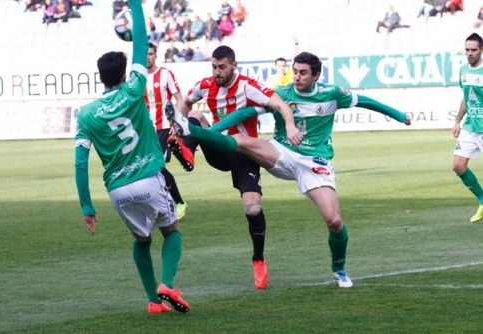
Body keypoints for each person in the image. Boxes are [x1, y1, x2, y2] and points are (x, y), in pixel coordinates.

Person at [167, 51, 410, 288]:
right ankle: (192, 133)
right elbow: (246, 112)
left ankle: (340, 268)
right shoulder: (282, 93)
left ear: (316, 75)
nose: (297, 77)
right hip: (282, 153)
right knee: (241, 140)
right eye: (295, 72)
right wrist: (213, 131)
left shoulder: (332, 93)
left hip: (316, 163)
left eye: (303, 73)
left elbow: (365, 102)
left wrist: (399, 115)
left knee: (334, 221)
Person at [74, 0, 190, 315]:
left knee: (141, 240)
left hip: (118, 190)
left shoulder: (86, 114)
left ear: (100, 77)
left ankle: (153, 302)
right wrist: (136, 5)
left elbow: (81, 163)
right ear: (124, 73)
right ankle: (166, 283)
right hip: (149, 176)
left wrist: (87, 204)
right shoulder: (135, 87)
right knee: (172, 230)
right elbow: (141, 41)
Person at [176, 45, 303, 290]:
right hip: (219, 149)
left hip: (244, 154)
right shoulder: (204, 85)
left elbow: (280, 105)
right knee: (196, 119)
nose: (216, 72)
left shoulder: (247, 86)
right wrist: (177, 126)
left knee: (253, 208)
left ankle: (258, 259)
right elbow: (185, 104)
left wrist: (289, 126)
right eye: (213, 67)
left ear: (234, 65)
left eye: (222, 67)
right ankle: (187, 154)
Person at [144, 42, 190, 219]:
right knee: (151, 168)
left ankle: (178, 203)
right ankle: (167, 204)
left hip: (164, 126)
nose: (147, 57)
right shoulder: (138, 77)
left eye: (150, 54)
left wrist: (175, 124)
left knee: (157, 167)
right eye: (145, 54)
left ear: (156, 55)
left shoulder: (165, 74)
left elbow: (179, 99)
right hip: (147, 130)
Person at [451, 33, 483, 223]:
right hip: (471, 125)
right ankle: (482, 199)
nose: (469, 53)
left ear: (481, 50)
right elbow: (466, 97)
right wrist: (457, 121)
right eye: (467, 50)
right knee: (458, 165)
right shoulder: (463, 70)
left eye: (473, 50)